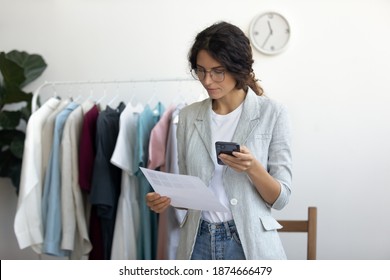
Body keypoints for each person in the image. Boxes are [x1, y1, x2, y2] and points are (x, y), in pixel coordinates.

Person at [146, 21, 292, 260]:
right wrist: (166, 199)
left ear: (238, 68)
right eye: (201, 70)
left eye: (217, 71)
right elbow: (190, 193)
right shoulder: (188, 116)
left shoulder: (273, 113)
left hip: (248, 244)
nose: (207, 80)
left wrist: (253, 168)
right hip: (197, 242)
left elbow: (281, 198)